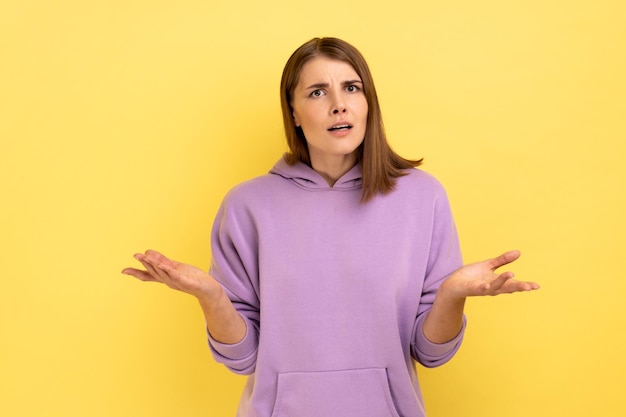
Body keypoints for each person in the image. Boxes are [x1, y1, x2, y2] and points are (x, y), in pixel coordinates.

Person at [122, 37, 539, 417]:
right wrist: (211, 296)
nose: (338, 104)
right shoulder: (247, 206)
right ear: (294, 113)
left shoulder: (421, 197)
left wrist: (452, 295)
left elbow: (430, 352)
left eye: (351, 88)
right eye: (317, 92)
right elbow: (244, 357)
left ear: (368, 102)